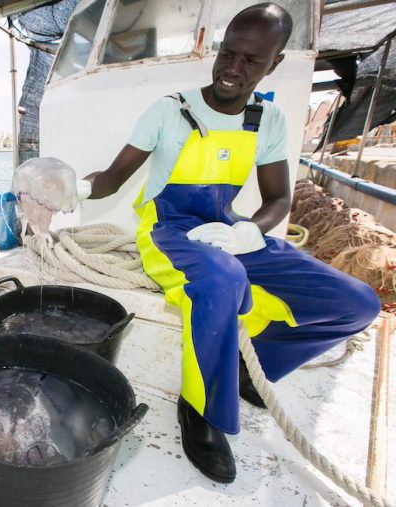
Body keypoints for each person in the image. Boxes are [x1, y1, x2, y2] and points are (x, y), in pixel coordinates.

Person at [79, 3, 380, 483]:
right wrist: (73, 188)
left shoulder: (269, 121)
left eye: (252, 60)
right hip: (167, 229)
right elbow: (112, 180)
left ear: (273, 65)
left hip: (230, 230)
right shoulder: (169, 110)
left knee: (357, 303)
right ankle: (201, 411)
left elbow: (279, 199)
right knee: (223, 279)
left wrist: (249, 231)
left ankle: (246, 371)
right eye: (228, 53)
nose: (233, 69)